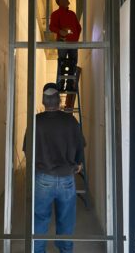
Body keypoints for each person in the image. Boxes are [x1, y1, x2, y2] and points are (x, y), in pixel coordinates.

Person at [23, 82, 84, 253]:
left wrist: (37, 166)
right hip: (67, 179)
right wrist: (77, 164)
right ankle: (65, 250)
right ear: (59, 101)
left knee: (40, 219)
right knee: (66, 220)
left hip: (43, 178)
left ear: (43, 101)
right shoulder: (71, 121)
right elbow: (80, 147)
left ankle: (38, 250)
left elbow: (28, 151)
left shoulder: (36, 121)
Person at [49, 0, 82, 91]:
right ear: (60, 2)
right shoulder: (56, 14)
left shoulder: (72, 14)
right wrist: (60, 31)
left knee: (73, 64)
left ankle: (69, 86)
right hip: (63, 42)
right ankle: (61, 85)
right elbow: (51, 27)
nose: (67, 0)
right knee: (62, 63)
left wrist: (75, 38)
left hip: (73, 43)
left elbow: (78, 27)